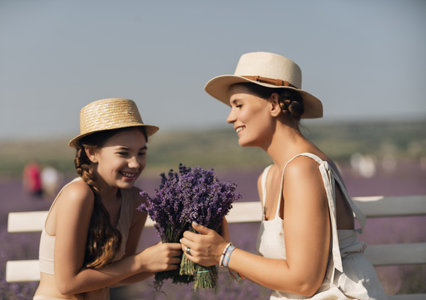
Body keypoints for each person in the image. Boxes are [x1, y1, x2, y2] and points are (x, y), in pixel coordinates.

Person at [180, 52, 387, 299]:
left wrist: (224, 253)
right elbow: (286, 271)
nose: (229, 117)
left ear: (275, 104)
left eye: (238, 104)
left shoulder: (303, 169)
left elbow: (304, 282)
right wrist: (224, 252)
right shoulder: (268, 178)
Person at [34, 98, 182, 300]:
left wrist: (171, 259)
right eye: (123, 153)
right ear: (92, 152)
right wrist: (142, 262)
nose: (135, 163)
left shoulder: (136, 201)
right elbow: (68, 284)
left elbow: (120, 275)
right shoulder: (78, 195)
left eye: (141, 153)